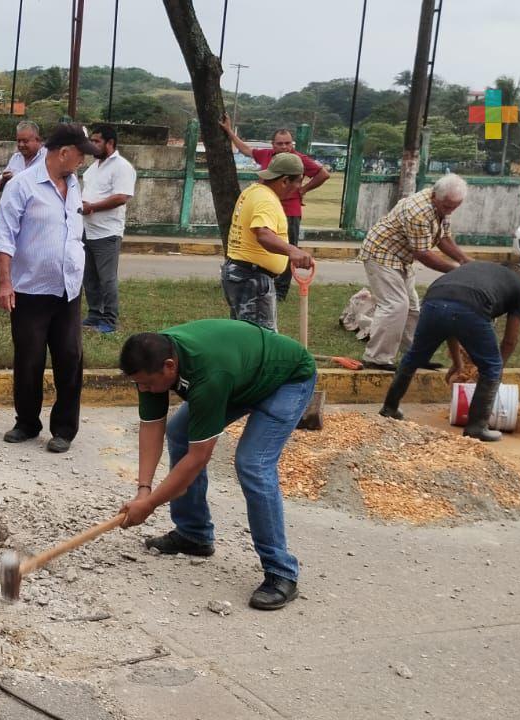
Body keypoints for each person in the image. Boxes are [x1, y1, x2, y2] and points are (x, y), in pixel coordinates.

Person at [118, 320, 318, 611]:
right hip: (240, 378)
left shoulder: (208, 375)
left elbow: (198, 457)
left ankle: (281, 572)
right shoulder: (150, 361)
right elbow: (151, 426)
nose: (143, 389)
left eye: (146, 383)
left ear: (170, 367)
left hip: (286, 379)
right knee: (179, 431)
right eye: (138, 383)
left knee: (253, 463)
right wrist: (143, 490)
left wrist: (149, 506)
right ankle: (194, 534)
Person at [0, 124, 97, 454]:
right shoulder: (22, 185)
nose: (82, 161)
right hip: (30, 289)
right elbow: (5, 237)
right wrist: (5, 283)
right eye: (80, 155)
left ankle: (64, 428)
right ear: (63, 153)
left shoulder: (74, 184)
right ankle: (27, 422)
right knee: (29, 358)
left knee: (70, 357)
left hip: (68, 289)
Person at [378, 261, 520, 442]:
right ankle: (476, 427)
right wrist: (496, 372)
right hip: (471, 308)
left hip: (434, 300)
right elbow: (510, 341)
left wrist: (458, 363)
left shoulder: (479, 270)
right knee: (492, 366)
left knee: (413, 357)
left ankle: (389, 408)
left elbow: (451, 325)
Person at [359, 173, 472, 370]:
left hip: (402, 259)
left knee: (412, 309)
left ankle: (415, 356)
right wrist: (455, 270)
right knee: (395, 306)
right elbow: (422, 254)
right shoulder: (418, 211)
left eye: (455, 207)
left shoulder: (442, 205)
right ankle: (376, 358)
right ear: (435, 195)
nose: (450, 211)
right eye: (447, 207)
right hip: (381, 254)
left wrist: (465, 260)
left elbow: (443, 238)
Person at [218, 116, 330, 301]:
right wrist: (230, 131)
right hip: (266, 214)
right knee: (283, 248)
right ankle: (268, 286)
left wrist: (302, 190)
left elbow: (323, 174)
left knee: (286, 247)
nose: (284, 147)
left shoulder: (296, 160)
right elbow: (245, 149)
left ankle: (280, 291)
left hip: (289, 211)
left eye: (288, 143)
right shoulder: (265, 185)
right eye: (280, 143)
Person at [222, 153, 315, 331]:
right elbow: (263, 234)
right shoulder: (266, 200)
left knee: (244, 335)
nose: (299, 188)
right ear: (285, 181)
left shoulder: (253, 191)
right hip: (252, 278)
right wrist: (292, 250)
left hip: (241, 273)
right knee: (261, 338)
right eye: (298, 182)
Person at [79, 125, 137, 334]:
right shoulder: (94, 167)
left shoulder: (122, 167)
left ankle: (109, 320)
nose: (92, 145)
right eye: (92, 140)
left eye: (97, 141)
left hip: (107, 232)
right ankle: (95, 314)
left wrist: (92, 207)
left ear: (110, 143)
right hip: (88, 229)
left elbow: (121, 197)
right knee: (89, 277)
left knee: (107, 278)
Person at [0, 121, 46, 191]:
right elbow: (0, 188)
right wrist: (4, 180)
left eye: (25, 141)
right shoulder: (15, 158)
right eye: (18, 141)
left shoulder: (47, 159)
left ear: (37, 140)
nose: (21, 145)